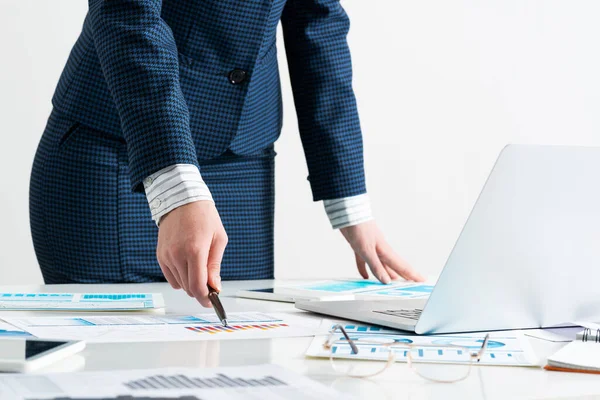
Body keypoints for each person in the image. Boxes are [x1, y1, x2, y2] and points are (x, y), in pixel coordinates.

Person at [29, 0, 424, 307]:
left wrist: (350, 204)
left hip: (241, 167)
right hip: (120, 154)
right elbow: (128, 13)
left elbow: (319, 24)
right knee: (108, 374)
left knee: (234, 368)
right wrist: (175, 188)